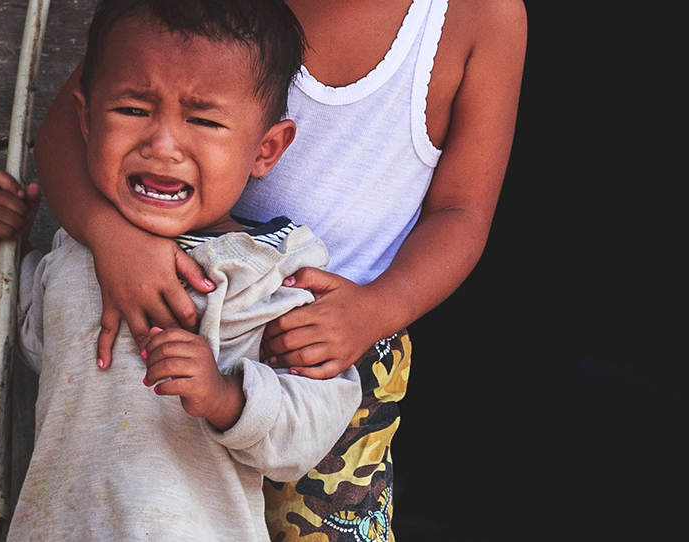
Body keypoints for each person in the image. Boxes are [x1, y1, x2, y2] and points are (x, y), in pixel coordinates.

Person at [33, 0, 528, 539]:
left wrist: (376, 310)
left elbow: (462, 212)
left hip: (333, 348)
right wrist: (111, 238)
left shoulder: (481, 14)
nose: (165, 141)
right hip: (167, 280)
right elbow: (66, 128)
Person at [0, 0, 363, 540]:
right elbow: (44, 345)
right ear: (86, 120)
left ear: (266, 150)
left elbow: (314, 421)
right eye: (133, 110)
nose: (162, 146)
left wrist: (226, 398)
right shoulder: (80, 253)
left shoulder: (270, 270)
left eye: (202, 120)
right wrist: (4, 258)